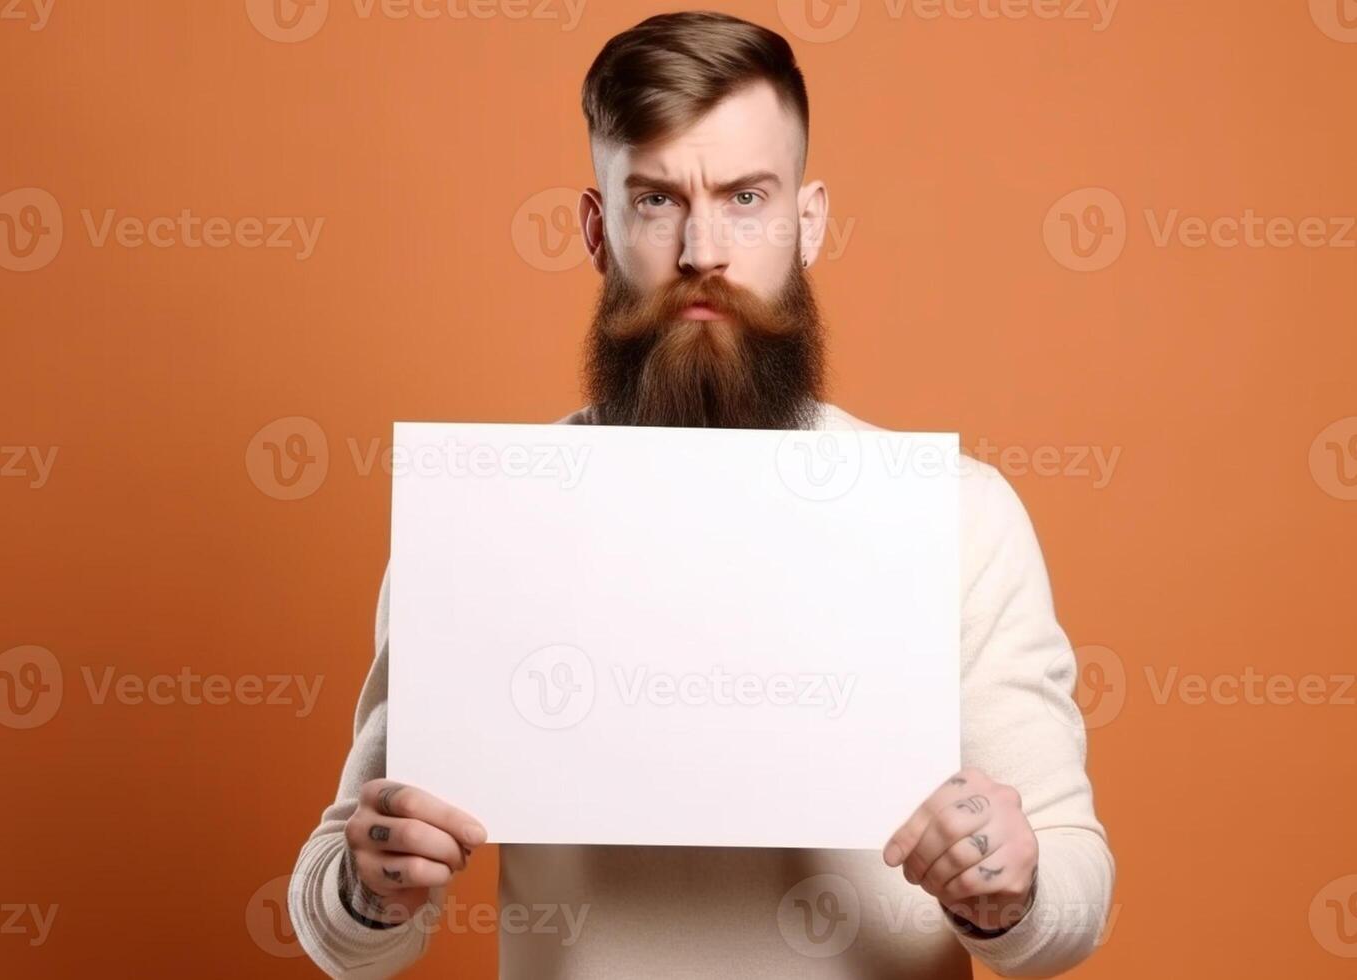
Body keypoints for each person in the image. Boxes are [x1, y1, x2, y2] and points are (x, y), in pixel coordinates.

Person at [289, 11, 1113, 978]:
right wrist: (367, 885)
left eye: (747, 196)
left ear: (809, 222)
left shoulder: (958, 519)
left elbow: (1072, 893)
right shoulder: (488, 525)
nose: (702, 251)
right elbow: (343, 917)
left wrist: (1013, 886)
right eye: (656, 200)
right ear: (598, 229)